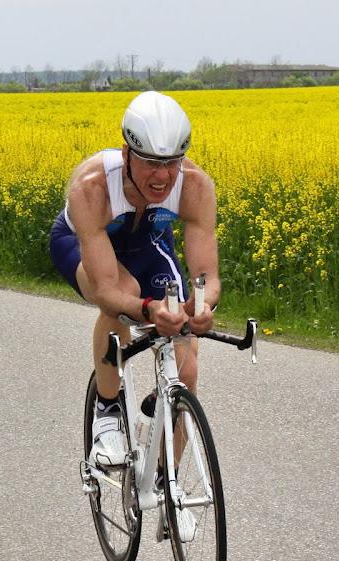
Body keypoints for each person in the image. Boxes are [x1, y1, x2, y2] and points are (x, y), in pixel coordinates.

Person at [50, 91, 220, 468]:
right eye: (150, 163)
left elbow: (206, 276)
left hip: (147, 243)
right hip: (81, 243)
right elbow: (108, 290)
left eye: (172, 163)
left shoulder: (194, 185)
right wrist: (148, 309)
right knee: (122, 299)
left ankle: (164, 480)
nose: (162, 176)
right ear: (127, 154)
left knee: (187, 364)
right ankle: (107, 411)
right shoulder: (93, 186)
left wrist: (203, 304)